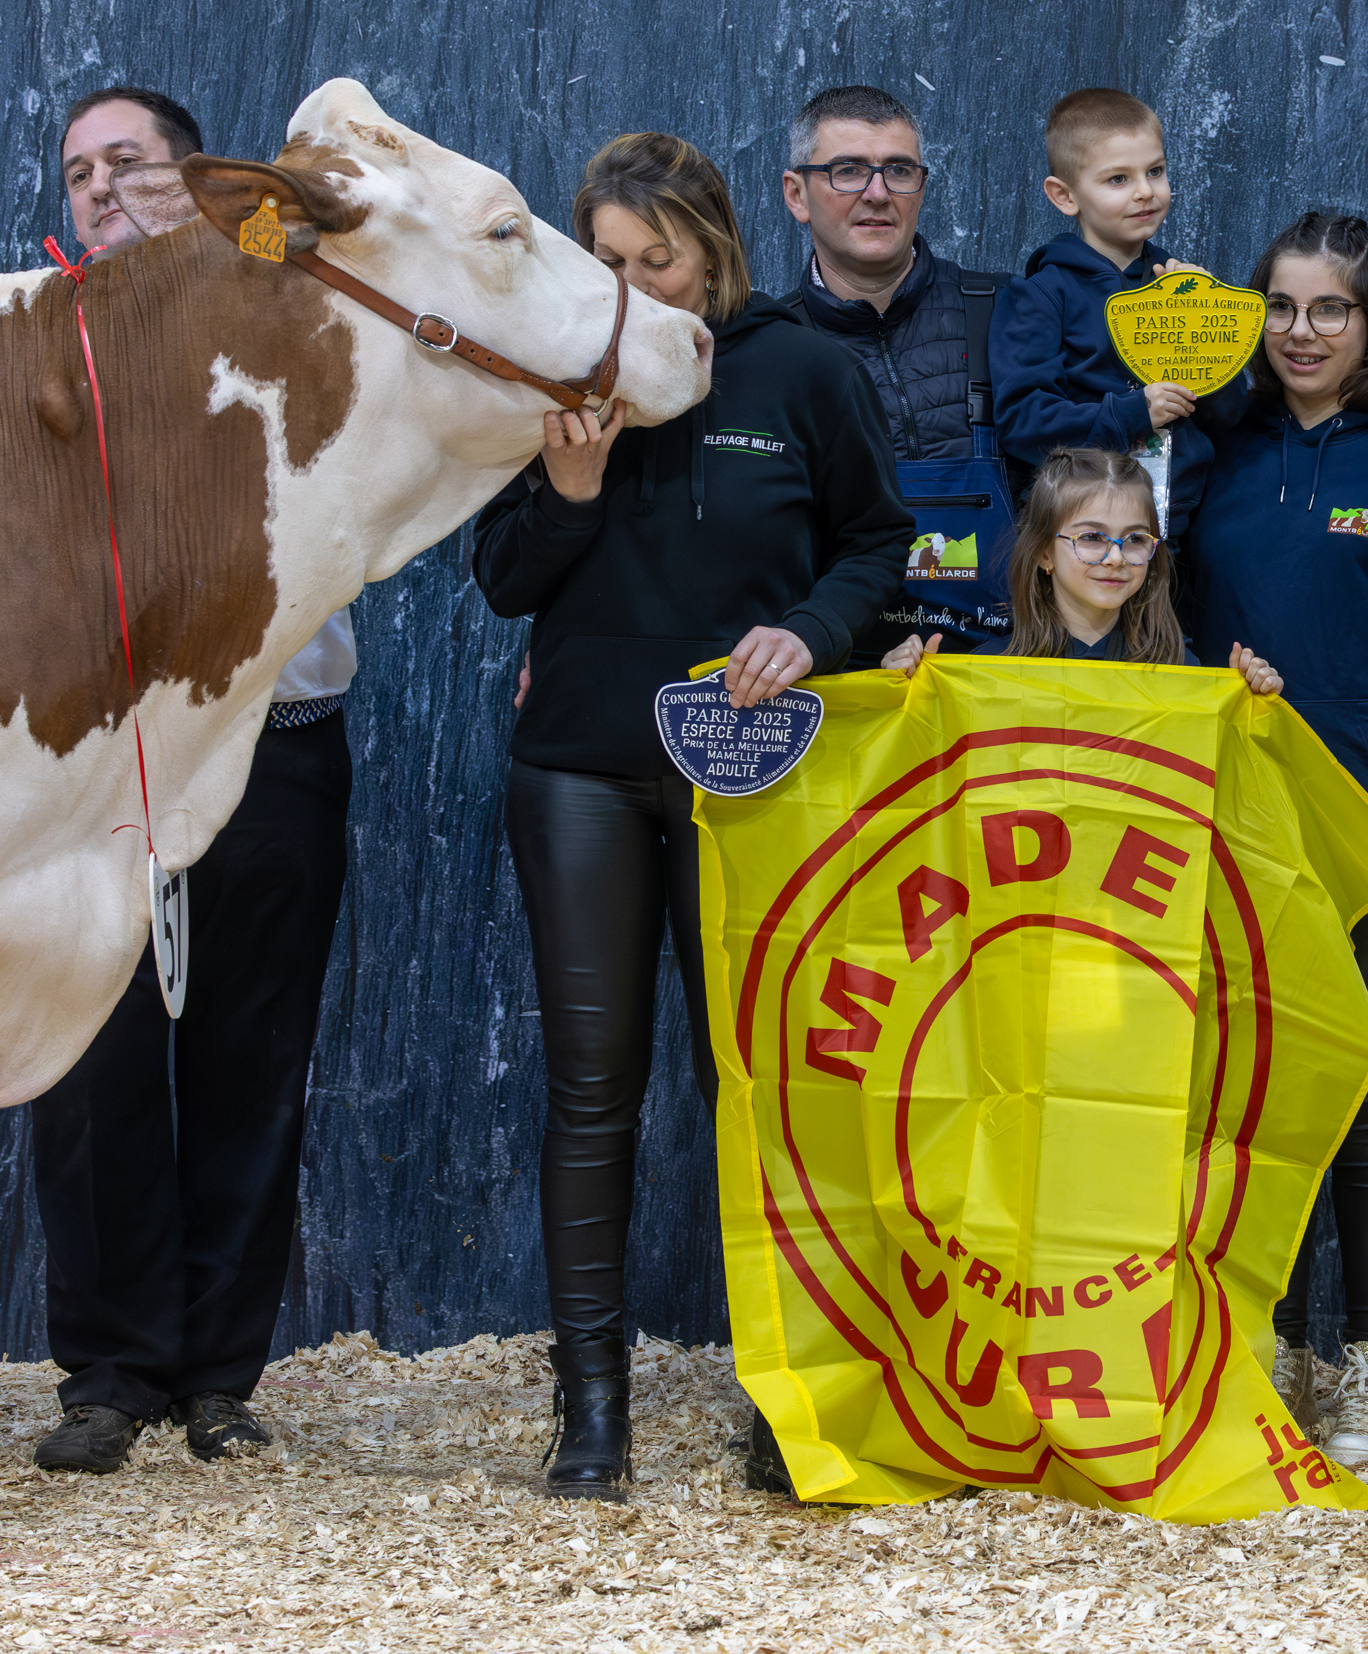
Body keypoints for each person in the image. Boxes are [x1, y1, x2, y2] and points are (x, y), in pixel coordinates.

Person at [472, 131, 911, 1501]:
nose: (630, 283)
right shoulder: (558, 369)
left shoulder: (805, 367)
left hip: (759, 775)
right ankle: (589, 1413)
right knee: (593, 1091)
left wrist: (812, 628)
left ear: (714, 241)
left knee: (764, 1090)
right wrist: (574, 487)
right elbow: (500, 580)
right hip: (583, 771)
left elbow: (877, 543)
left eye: (654, 258)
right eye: (604, 260)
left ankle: (788, 1396)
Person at [26, 86, 359, 1473]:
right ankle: (110, 1370)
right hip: (85, 762)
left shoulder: (294, 305)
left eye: (134, 163)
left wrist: (231, 247)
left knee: (250, 1059)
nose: (105, 187)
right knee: (85, 1066)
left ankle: (224, 1372)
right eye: (81, 170)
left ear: (204, 179)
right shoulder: (25, 343)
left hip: (271, 741)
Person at [1178, 213, 1368, 1467]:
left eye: (1329, 310)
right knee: (1231, 1089)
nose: (1301, 333)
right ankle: (1251, 1345)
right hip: (1219, 826)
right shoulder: (1208, 452)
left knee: (1362, 1092)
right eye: (1281, 308)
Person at [779, 84, 1016, 653]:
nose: (878, 193)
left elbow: (1098, 482)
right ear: (797, 194)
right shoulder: (769, 346)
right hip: (836, 683)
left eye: (899, 170)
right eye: (848, 170)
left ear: (922, 187)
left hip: (1006, 681)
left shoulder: (1010, 310)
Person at [989, 88, 1242, 541]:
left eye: (1156, 171)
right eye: (1118, 180)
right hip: (1080, 533)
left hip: (1182, 528)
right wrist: (1132, 414)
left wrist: (1210, 324)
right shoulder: (1042, 295)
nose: (1146, 191)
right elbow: (1023, 421)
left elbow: (1229, 419)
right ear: (1065, 196)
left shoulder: (1181, 285)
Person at [882, 446, 1279, 688]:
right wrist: (908, 690)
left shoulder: (1179, 668)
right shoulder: (989, 669)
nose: (1116, 558)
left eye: (1136, 539)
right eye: (1092, 538)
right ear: (1043, 554)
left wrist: (1241, 700)